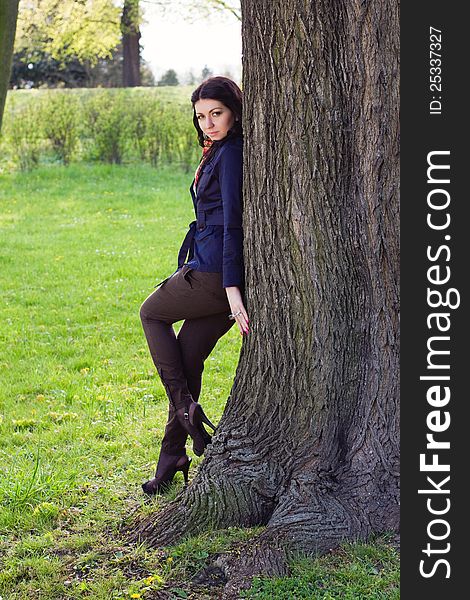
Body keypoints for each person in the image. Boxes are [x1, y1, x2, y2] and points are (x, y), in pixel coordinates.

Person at [140, 76, 249, 496]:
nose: (208, 123)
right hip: (214, 272)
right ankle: (173, 457)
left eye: (216, 113)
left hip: (213, 275)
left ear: (233, 111)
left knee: (150, 312)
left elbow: (234, 223)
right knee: (187, 362)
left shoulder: (232, 154)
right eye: (201, 116)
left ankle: (187, 412)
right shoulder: (217, 150)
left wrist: (232, 289)